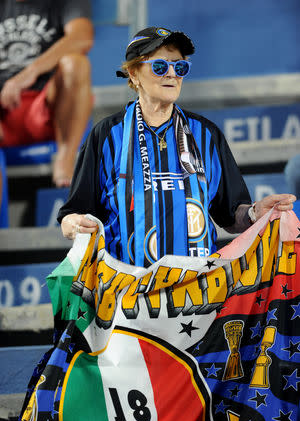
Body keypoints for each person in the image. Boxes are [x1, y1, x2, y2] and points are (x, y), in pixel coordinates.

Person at [58, 26, 295, 267]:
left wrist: (255, 213)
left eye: (180, 67)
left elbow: (231, 215)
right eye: (160, 67)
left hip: (197, 293)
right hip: (127, 291)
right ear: (133, 73)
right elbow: (72, 215)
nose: (172, 74)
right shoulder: (106, 135)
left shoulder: (206, 134)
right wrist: (75, 224)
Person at [0, 0, 94, 187]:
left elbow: (82, 37)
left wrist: (29, 73)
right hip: (3, 111)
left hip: (47, 110)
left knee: (76, 64)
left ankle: (65, 158)